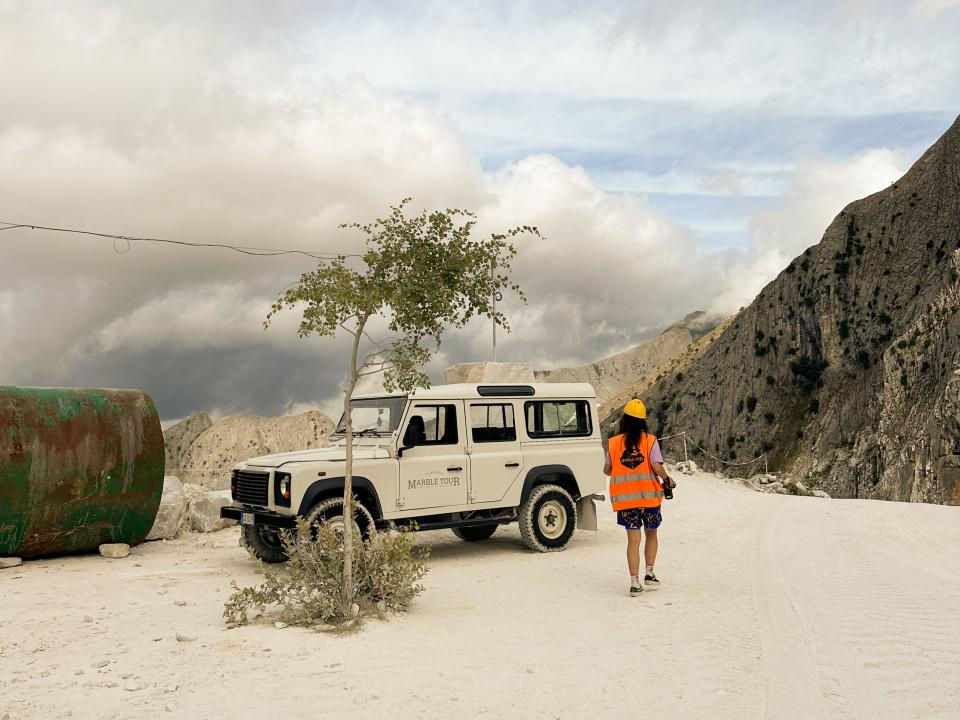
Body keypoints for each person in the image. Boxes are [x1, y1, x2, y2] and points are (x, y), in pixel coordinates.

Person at [603, 399, 676, 596]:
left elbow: (607, 470)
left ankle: (634, 583)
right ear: (643, 420)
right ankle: (649, 574)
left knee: (633, 540)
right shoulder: (650, 441)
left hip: (626, 501)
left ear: (624, 419)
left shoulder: (614, 443)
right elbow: (656, 466)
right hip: (649, 499)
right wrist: (667, 479)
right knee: (651, 534)